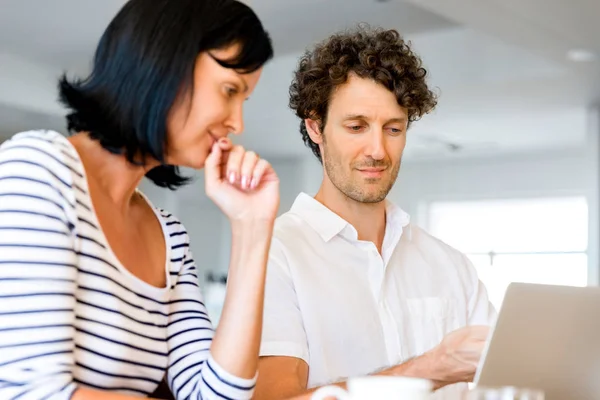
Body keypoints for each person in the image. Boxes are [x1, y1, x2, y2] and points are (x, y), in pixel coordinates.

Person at [0, 0, 278, 399]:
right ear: (166, 63)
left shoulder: (170, 239)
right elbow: (30, 393)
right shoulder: (37, 171)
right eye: (230, 90)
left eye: (243, 100)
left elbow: (216, 395)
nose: (238, 122)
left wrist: (252, 228)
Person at [254, 26, 496, 400]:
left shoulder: (451, 265)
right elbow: (274, 398)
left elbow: (505, 377)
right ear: (316, 127)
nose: (378, 150)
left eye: (393, 129)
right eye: (356, 127)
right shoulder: (273, 256)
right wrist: (428, 369)